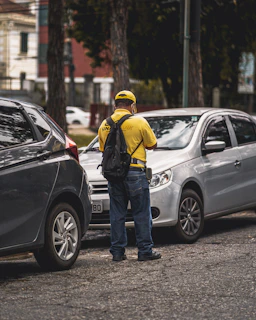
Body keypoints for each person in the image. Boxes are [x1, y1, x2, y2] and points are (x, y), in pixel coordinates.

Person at [98, 90, 161, 262]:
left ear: (115, 105)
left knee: (117, 213)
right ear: (132, 105)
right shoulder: (139, 121)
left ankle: (118, 252)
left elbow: (103, 150)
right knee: (141, 212)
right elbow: (152, 144)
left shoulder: (105, 124)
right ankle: (145, 251)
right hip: (135, 172)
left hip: (113, 174)